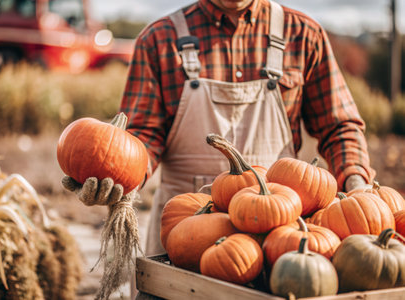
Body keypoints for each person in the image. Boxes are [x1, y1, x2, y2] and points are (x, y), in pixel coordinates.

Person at [63, 0, 375, 288]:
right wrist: (115, 180)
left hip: (275, 244)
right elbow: (141, 140)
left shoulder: (303, 35)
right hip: (182, 239)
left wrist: (357, 185)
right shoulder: (160, 39)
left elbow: (339, 127)